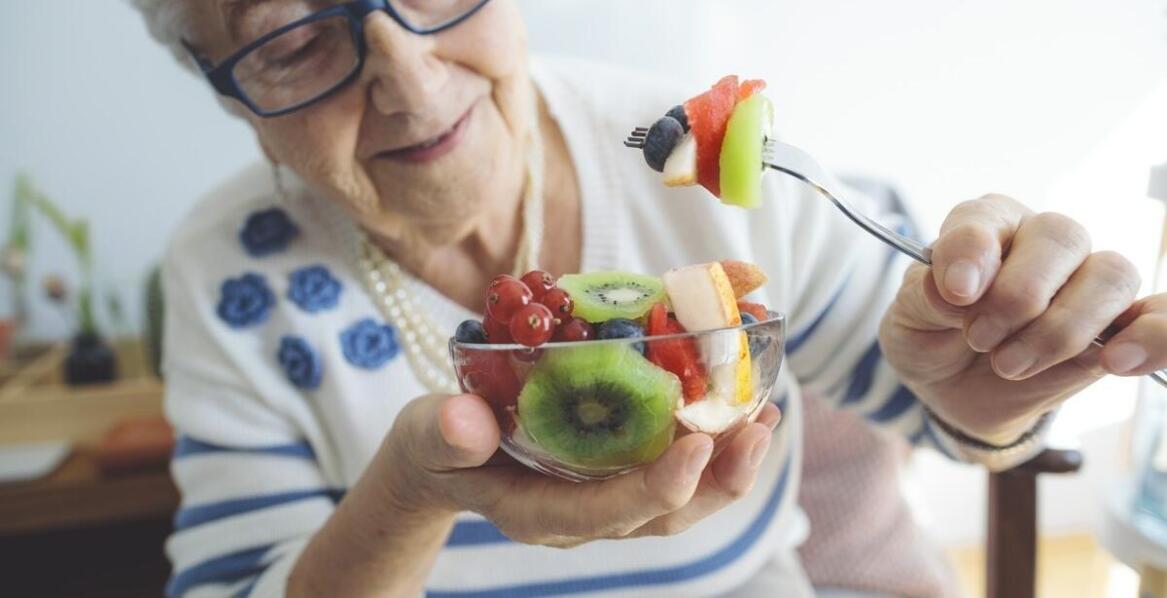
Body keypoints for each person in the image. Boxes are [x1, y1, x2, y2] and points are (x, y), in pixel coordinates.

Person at [130, 1, 1167, 596]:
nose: (412, 77)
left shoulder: (690, 155)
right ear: (221, 86)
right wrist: (409, 496)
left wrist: (997, 388)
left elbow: (955, 404)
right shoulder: (228, 278)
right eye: (293, 37)